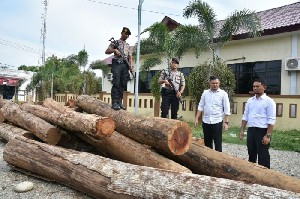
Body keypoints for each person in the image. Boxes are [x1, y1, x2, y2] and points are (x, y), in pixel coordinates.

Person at [239, 79, 276, 169]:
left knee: (263, 155)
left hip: (262, 131)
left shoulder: (269, 101)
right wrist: (242, 130)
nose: (255, 88)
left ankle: (266, 176)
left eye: (257, 86)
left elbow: (271, 120)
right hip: (251, 130)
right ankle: (252, 174)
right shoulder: (250, 101)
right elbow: (245, 116)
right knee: (251, 153)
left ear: (264, 87)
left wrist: (268, 135)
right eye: (254, 86)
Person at [194, 75, 230, 152]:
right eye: (213, 83)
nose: (215, 85)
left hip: (217, 121)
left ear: (219, 83)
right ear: (210, 83)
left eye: (216, 83)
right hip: (206, 121)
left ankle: (218, 161)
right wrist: (197, 118)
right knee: (207, 144)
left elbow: (227, 109)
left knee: (218, 143)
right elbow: (200, 106)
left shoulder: (223, 94)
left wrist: (226, 122)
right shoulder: (205, 93)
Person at [105, 27, 134, 110]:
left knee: (122, 84)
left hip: (125, 65)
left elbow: (130, 57)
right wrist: (114, 50)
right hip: (117, 64)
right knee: (116, 82)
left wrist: (131, 66)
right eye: (125, 34)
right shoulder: (115, 42)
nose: (126, 36)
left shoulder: (128, 46)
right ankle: (114, 102)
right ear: (122, 33)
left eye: (128, 35)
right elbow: (107, 51)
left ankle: (119, 102)